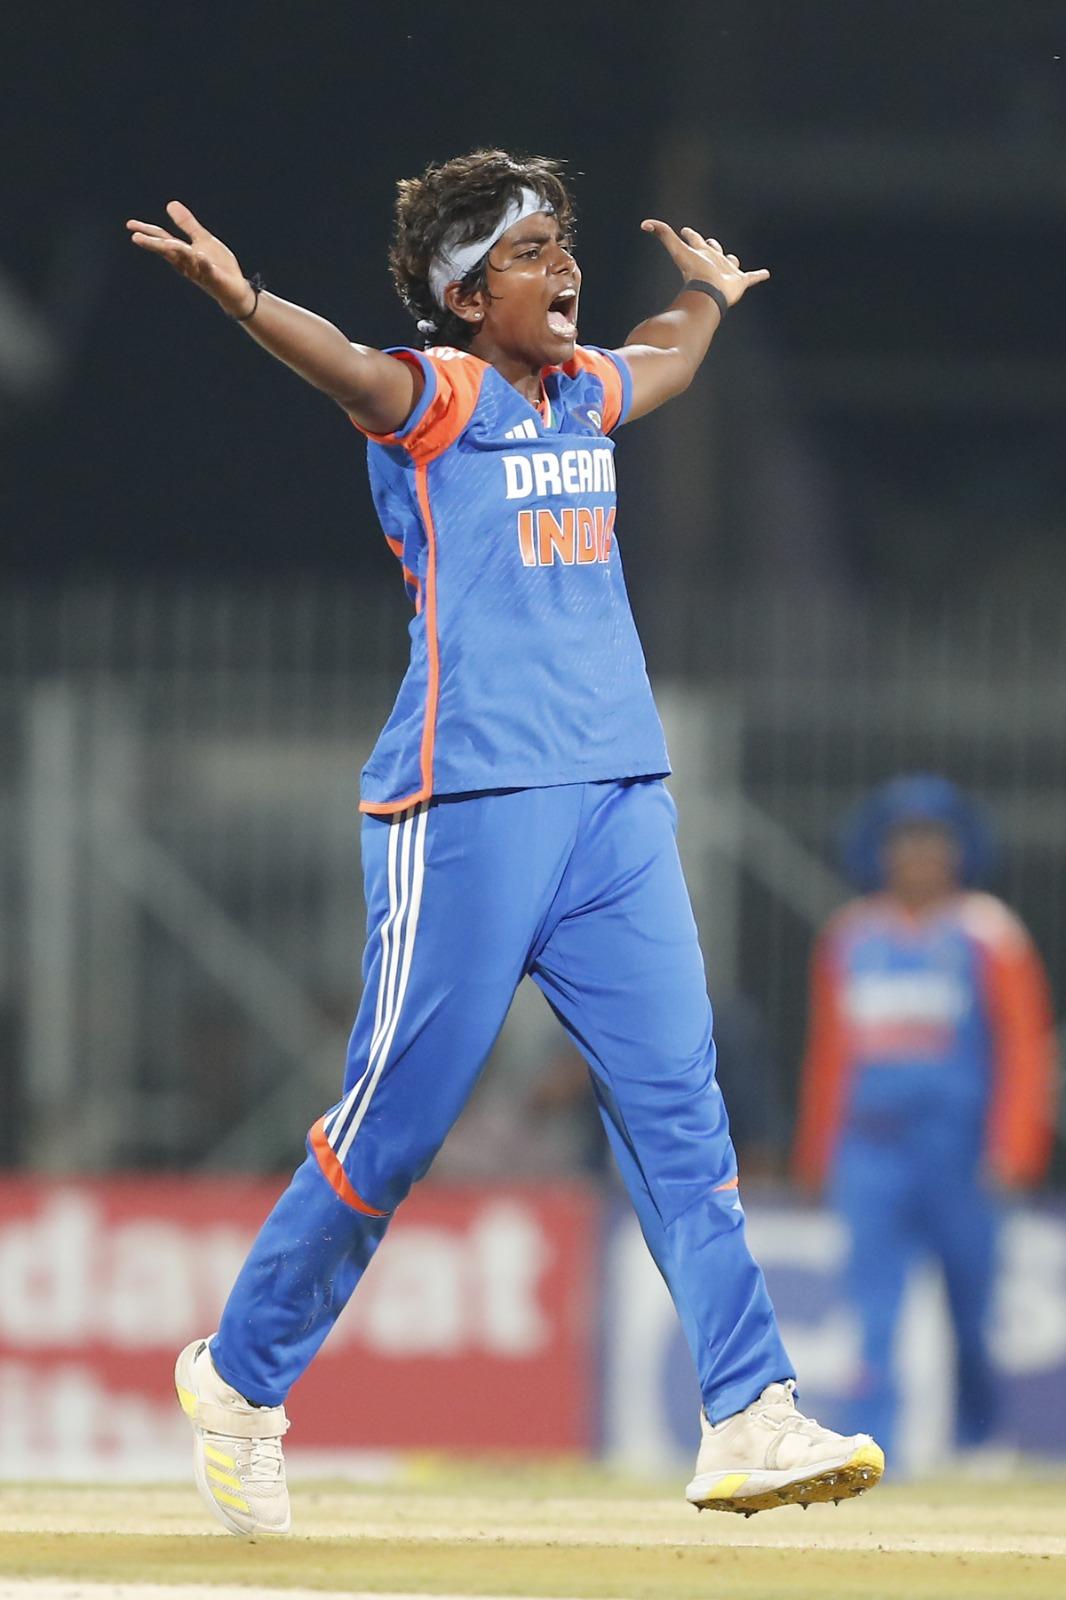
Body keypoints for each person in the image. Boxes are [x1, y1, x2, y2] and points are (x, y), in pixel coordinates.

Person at [128, 149, 883, 1536]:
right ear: (465, 292)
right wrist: (247, 304)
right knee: (393, 1127)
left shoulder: (578, 390)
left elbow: (659, 357)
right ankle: (238, 1379)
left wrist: (705, 300)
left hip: (613, 800)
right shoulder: (446, 396)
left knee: (681, 1118)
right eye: (534, 256)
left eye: (566, 248)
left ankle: (749, 1412)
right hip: (466, 803)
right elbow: (354, 369)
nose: (566, 272)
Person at [793, 774, 1057, 1466]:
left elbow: (1023, 1049)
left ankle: (978, 1442)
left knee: (971, 1312)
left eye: (932, 842)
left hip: (961, 1156)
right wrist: (819, 1153)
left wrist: (1014, 1147)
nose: (918, 857)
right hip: (871, 1154)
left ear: (958, 851)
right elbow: (830, 1056)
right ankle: (873, 1452)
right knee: (872, 1313)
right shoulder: (850, 937)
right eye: (902, 842)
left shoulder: (989, 933)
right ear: (879, 853)